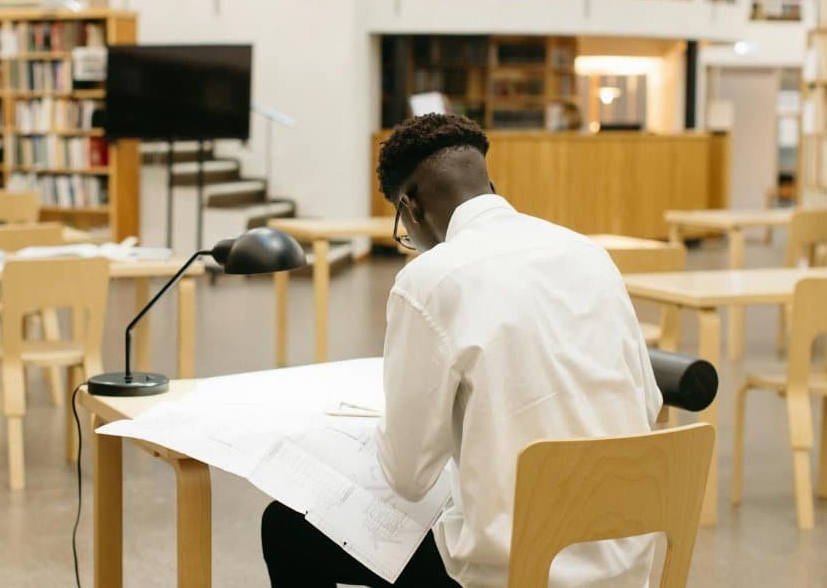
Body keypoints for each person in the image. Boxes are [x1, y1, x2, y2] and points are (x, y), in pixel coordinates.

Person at [261, 113, 662, 587]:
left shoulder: (431, 278)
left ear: (409, 205)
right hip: (625, 563)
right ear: (487, 181)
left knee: (285, 527)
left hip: (513, 574)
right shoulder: (588, 254)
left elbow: (407, 478)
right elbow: (649, 405)